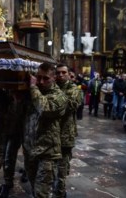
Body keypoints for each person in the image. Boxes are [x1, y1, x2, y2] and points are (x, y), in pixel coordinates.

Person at [22, 62, 67, 198]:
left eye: (45, 78)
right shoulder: (34, 93)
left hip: (47, 152)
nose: (41, 81)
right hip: (30, 150)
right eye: (38, 77)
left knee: (42, 193)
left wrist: (32, 87)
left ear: (54, 78)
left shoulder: (59, 96)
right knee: (34, 188)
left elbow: (44, 108)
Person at [53, 64, 82, 198]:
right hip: (51, 133)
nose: (60, 75)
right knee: (50, 166)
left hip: (66, 133)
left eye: (63, 72)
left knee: (62, 167)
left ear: (69, 74)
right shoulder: (53, 87)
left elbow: (69, 106)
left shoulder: (74, 89)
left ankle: (60, 192)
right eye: (58, 73)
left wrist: (54, 93)